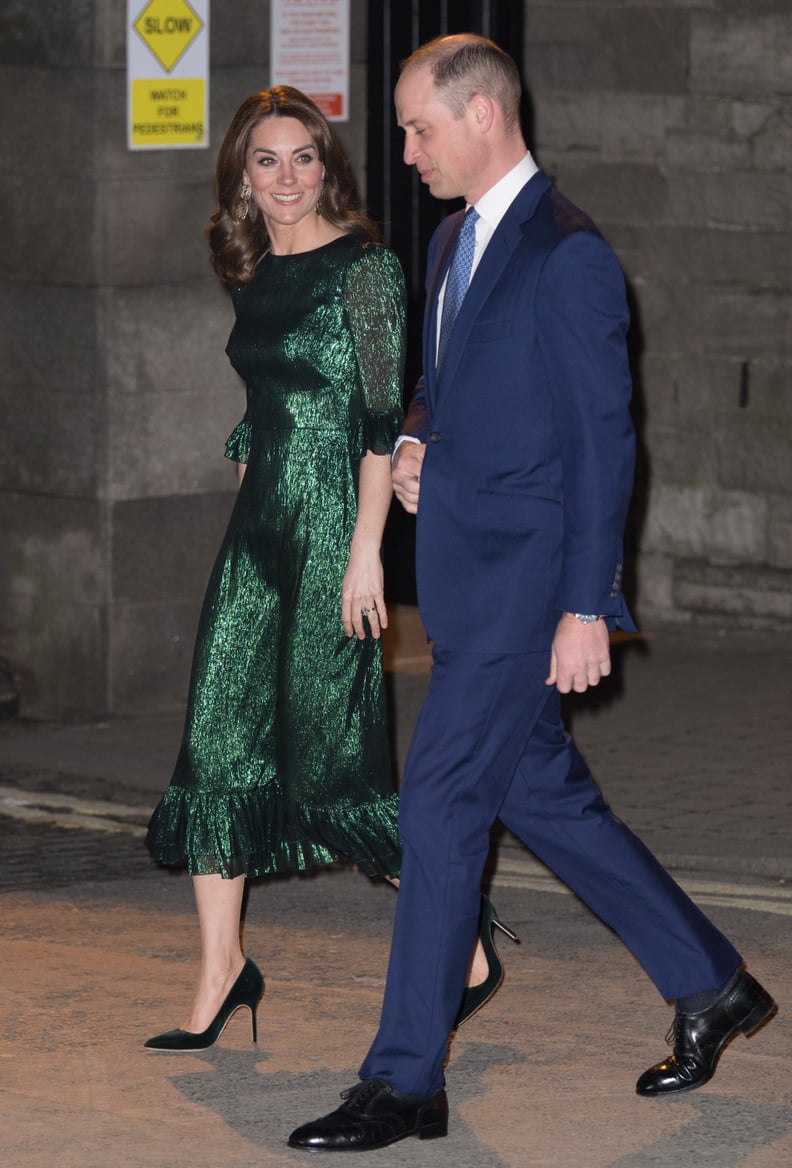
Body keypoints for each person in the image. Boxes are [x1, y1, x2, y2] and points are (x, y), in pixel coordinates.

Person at [288, 36, 777, 1151]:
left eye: (417, 127)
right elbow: (439, 386)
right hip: (466, 580)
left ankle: (405, 1078)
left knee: (441, 803)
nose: (403, 151)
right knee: (545, 797)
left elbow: (607, 445)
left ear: (482, 117)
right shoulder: (459, 237)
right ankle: (711, 983)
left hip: (524, 589)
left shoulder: (570, 256)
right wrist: (416, 440)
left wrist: (585, 604)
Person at [143, 85, 496, 1052]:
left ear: (328, 168)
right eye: (267, 161)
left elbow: (381, 423)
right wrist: (246, 528)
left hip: (339, 530)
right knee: (214, 742)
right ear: (242, 178)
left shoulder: (368, 269)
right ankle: (221, 972)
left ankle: (463, 945)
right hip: (258, 535)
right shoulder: (252, 269)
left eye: (304, 158)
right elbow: (263, 414)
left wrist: (365, 556)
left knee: (339, 765)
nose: (288, 178)